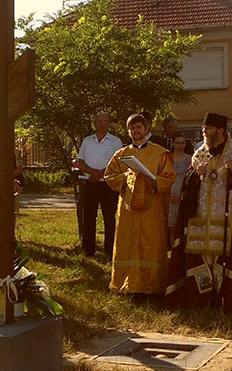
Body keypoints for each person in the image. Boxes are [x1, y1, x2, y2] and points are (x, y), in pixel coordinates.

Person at [165, 112, 232, 308]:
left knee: (224, 257)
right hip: (199, 218)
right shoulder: (198, 154)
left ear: (220, 131)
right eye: (204, 129)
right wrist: (195, 175)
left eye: (208, 129)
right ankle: (200, 298)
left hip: (226, 220)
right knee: (198, 255)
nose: (204, 132)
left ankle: (224, 297)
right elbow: (188, 184)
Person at [102, 113, 176, 297]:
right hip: (128, 209)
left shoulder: (159, 153)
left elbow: (169, 178)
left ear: (146, 129)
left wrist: (153, 181)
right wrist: (127, 177)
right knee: (128, 243)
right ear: (128, 131)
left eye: (139, 127)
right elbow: (109, 176)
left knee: (150, 242)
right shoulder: (122, 154)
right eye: (132, 128)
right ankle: (127, 284)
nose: (136, 131)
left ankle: (151, 286)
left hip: (152, 209)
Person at [77, 111, 123, 257]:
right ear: (95, 123)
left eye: (105, 121)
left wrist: (102, 173)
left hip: (108, 184)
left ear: (109, 123)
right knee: (89, 216)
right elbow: (80, 161)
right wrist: (92, 173)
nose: (102, 124)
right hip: (90, 183)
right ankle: (88, 250)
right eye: (99, 121)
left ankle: (110, 250)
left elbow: (118, 162)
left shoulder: (116, 141)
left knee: (109, 217)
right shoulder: (87, 141)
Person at [166, 133, 192, 232]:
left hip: (183, 192)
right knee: (170, 227)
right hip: (170, 192)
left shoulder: (189, 158)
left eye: (182, 143)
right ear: (172, 144)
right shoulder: (168, 158)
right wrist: (168, 194)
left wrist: (183, 194)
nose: (180, 145)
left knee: (182, 225)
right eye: (177, 143)